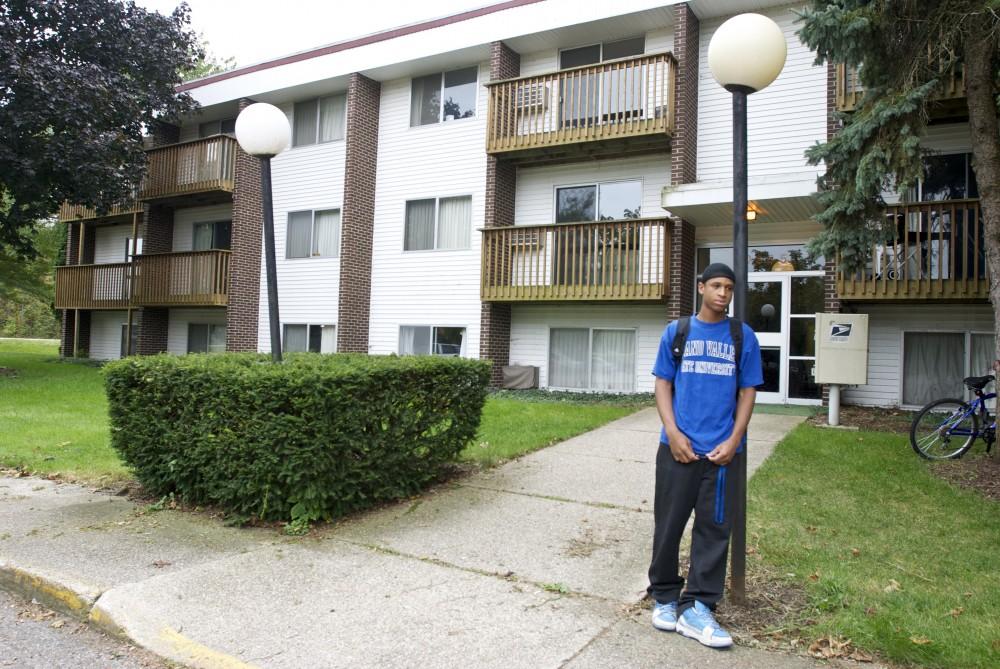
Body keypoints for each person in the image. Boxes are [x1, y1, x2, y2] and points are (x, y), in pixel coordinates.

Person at [647, 262, 763, 648]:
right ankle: (664, 596)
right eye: (716, 286)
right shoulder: (677, 332)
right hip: (677, 449)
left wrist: (734, 440)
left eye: (729, 288)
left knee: (715, 529)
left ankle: (698, 605)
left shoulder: (741, 336)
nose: (723, 294)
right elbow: (663, 383)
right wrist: (674, 433)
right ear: (701, 287)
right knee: (669, 525)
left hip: (723, 454)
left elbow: (748, 391)